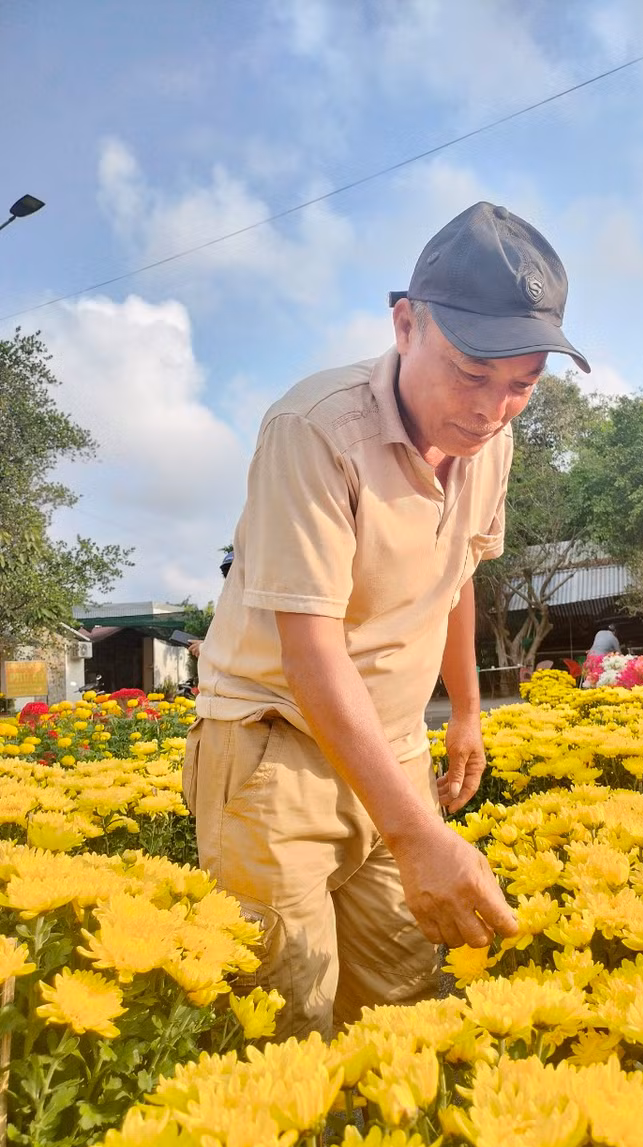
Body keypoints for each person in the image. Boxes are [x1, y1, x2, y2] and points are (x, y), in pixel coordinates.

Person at [185, 201, 590, 1040]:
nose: (490, 409)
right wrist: (419, 836)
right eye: (472, 375)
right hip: (276, 747)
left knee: (402, 996)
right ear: (406, 324)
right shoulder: (315, 429)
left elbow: (457, 572)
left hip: (396, 748)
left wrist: (468, 713)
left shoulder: (492, 440)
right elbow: (312, 651)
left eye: (522, 385)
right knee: (287, 1015)